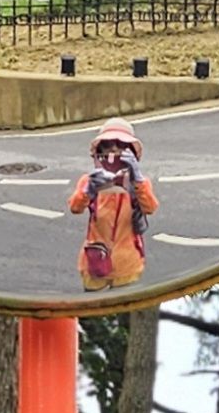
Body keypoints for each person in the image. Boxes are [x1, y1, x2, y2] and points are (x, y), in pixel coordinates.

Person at [67, 120, 157, 291]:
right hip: (95, 260)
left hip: (127, 263)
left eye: (121, 145)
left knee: (124, 302)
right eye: (107, 145)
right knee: (93, 304)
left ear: (131, 152)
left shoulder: (140, 183)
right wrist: (89, 189)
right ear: (99, 151)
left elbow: (150, 207)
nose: (114, 150)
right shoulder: (90, 180)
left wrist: (136, 179)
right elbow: (75, 208)